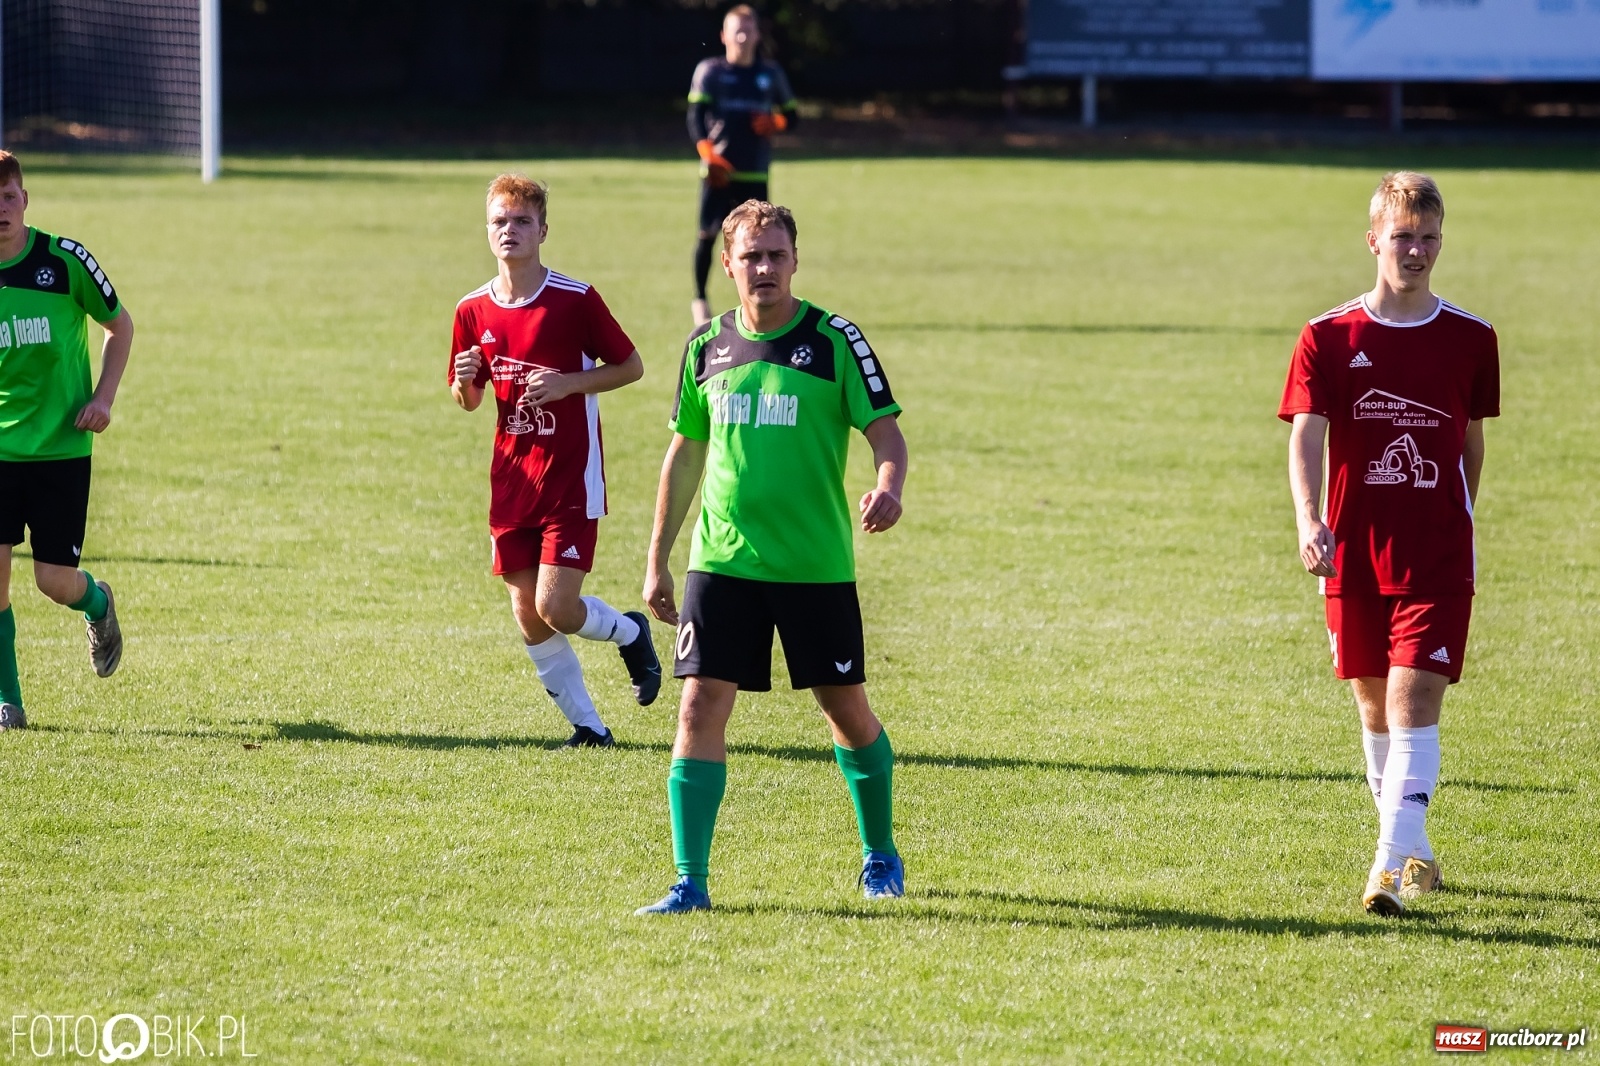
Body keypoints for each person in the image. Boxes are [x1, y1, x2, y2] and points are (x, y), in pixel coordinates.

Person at [636, 200, 908, 915]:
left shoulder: (834, 340)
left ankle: (879, 852)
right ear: (727, 264)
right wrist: (657, 557)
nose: (764, 268)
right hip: (722, 563)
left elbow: (885, 432)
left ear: (795, 260)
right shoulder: (706, 349)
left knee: (844, 711)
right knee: (697, 706)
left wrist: (888, 486)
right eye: (750, 256)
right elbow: (685, 456)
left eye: (776, 255)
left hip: (814, 566)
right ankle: (689, 881)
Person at [1279, 172, 1499, 916]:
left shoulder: (1472, 339)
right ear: (1374, 239)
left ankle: (1384, 872)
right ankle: (1418, 852)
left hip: (1437, 555)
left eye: (1429, 238)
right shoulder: (1328, 337)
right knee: (1373, 705)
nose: (1417, 251)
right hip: (1354, 553)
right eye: (1404, 237)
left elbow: (1470, 445)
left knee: (1412, 701)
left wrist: (1453, 516)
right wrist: (1311, 519)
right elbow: (1305, 438)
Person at [450, 174, 661, 748]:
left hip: (569, 475)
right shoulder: (471, 309)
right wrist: (465, 383)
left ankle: (626, 633)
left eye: (521, 221)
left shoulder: (574, 299)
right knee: (527, 612)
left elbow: (631, 366)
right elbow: (469, 398)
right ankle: (589, 729)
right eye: (500, 221)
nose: (509, 230)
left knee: (557, 605)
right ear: (487, 230)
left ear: (543, 229)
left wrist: (569, 384)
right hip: (511, 482)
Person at [0, 150, 132, 732]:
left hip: (61, 449)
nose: (0, 209)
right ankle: (8, 701)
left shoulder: (64, 260)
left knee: (53, 581)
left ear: (25, 200)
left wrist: (102, 398)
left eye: (8, 196)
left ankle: (97, 604)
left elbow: (119, 326)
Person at [686, 4, 799, 328]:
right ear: (723, 35)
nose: (742, 36)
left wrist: (775, 121)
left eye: (748, 29)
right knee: (707, 235)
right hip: (720, 171)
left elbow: (792, 116)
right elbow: (695, 117)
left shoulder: (770, 74)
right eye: (736, 29)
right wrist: (707, 153)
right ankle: (700, 299)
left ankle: (759, 301)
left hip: (754, 171)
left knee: (759, 241)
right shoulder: (710, 71)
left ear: (757, 35)